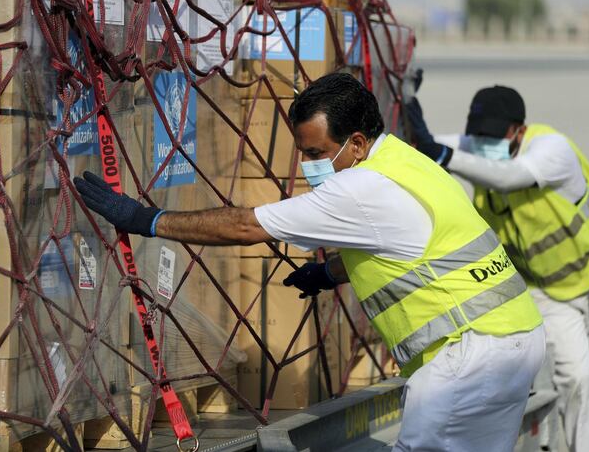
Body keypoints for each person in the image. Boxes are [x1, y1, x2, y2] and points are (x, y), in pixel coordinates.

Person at [75, 72, 545, 451]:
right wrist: (329, 272)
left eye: (318, 153)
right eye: (303, 152)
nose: (309, 165)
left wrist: (146, 218)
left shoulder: (359, 188)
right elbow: (410, 249)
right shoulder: (407, 162)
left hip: (467, 356)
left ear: (357, 144)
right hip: (517, 338)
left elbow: (245, 225)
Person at [407, 84, 589, 452]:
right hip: (546, 291)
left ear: (519, 130)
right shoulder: (478, 147)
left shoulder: (552, 149)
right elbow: (425, 144)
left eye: (493, 135)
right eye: (478, 135)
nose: (484, 142)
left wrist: (442, 153)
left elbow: (507, 176)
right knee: (576, 379)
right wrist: (404, 100)